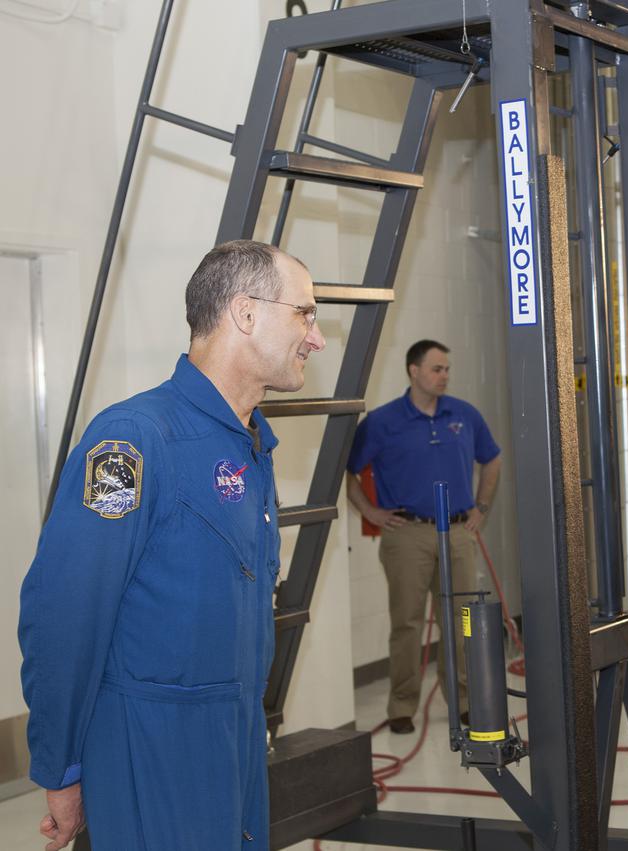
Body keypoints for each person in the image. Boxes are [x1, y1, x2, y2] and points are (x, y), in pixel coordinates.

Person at [19, 240, 325, 850]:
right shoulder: (133, 442)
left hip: (234, 739)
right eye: (305, 313)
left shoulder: (251, 443)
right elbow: (65, 617)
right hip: (150, 749)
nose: (315, 338)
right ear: (245, 313)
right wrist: (62, 767)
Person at [346, 340, 502, 734]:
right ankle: (402, 706)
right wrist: (370, 512)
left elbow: (493, 458)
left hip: (458, 534)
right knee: (407, 623)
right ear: (413, 371)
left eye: (447, 369)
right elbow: (348, 472)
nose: (444, 375)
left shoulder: (464, 416)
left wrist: (480, 508)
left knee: (462, 620)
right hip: (406, 536)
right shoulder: (382, 422)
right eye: (436, 369)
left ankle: (465, 701)